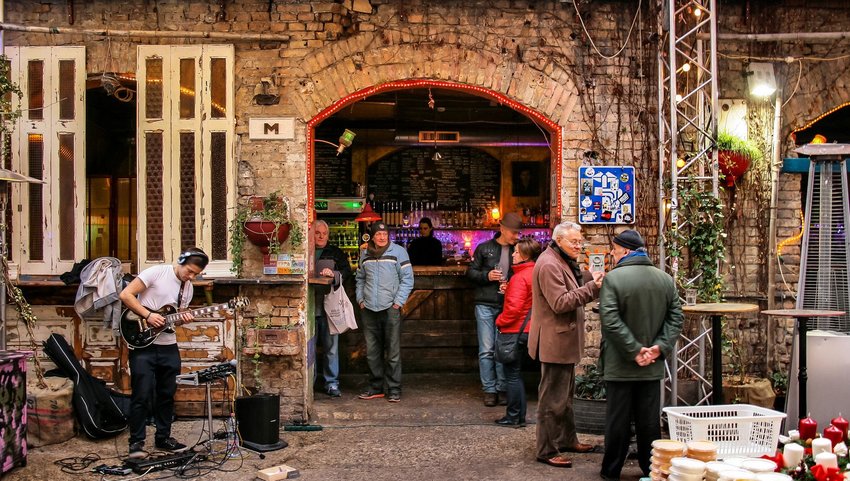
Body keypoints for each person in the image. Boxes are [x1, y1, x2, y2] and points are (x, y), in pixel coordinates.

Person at [598, 229, 683, 481]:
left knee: (617, 421)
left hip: (620, 363)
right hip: (651, 364)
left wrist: (634, 350)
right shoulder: (665, 279)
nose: (612, 254)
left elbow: (610, 320)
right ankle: (652, 470)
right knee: (649, 421)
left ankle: (611, 470)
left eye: (614, 249)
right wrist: (659, 347)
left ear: (625, 250)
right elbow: (676, 317)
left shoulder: (613, 279)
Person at [119, 247, 209, 459]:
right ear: (181, 262)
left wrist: (185, 317)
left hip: (168, 344)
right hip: (143, 344)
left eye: (195, 274)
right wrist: (148, 315)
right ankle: (136, 442)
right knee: (141, 394)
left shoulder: (188, 288)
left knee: (167, 393)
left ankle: (163, 437)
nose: (191, 277)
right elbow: (126, 295)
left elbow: (173, 317)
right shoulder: (156, 273)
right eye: (189, 271)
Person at [528, 221, 603, 468]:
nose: (579, 246)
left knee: (566, 397)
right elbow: (560, 302)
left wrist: (593, 277)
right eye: (574, 242)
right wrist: (593, 287)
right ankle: (546, 450)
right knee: (552, 400)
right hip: (555, 342)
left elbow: (573, 280)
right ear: (559, 240)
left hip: (563, 341)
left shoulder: (559, 259)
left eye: (580, 241)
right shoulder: (549, 264)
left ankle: (567, 439)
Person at [467, 211, 522, 407]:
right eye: (514, 233)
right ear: (502, 229)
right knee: (486, 349)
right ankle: (489, 390)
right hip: (485, 303)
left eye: (518, 233)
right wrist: (487, 276)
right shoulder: (484, 248)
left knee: (502, 349)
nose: (517, 236)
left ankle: (502, 387)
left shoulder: (519, 250)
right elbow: (470, 272)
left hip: (508, 305)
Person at [356, 222, 415, 403]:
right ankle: (376, 387)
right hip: (369, 309)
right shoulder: (364, 254)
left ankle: (394, 389)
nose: (382, 237)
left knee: (393, 351)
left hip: (390, 308)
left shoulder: (398, 252)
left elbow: (407, 279)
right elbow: (360, 278)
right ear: (372, 236)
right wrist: (360, 300)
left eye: (385, 234)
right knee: (372, 351)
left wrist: (397, 303)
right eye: (378, 234)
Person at [494, 237, 542, 428]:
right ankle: (518, 416)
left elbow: (513, 310)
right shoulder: (535, 273)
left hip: (515, 330)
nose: (512, 254)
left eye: (515, 252)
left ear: (523, 255)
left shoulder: (519, 277)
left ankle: (514, 416)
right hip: (530, 329)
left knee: (512, 375)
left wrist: (499, 321)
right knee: (517, 374)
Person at [313, 220, 353, 397]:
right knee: (310, 348)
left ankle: (331, 383)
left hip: (329, 306)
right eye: (317, 233)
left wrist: (334, 274)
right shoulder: (304, 251)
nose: (321, 236)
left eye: (325, 233)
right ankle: (309, 383)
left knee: (331, 347)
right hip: (310, 306)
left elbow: (347, 272)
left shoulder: (335, 252)